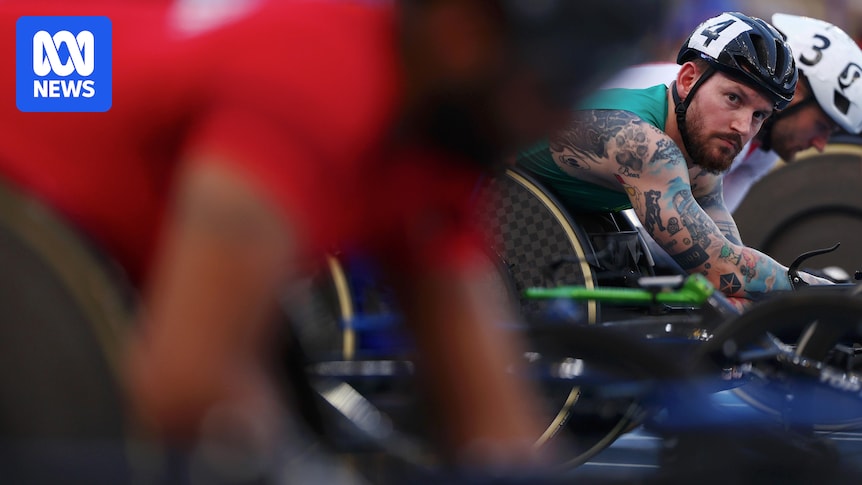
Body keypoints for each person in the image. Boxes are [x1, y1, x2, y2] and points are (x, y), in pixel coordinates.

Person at [0, 0, 675, 480]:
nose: (555, 121)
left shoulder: (437, 144)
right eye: (553, 86)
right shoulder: (316, 76)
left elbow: (491, 425)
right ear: (464, 28)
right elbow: (188, 391)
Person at [517, 11, 834, 308]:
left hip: (549, 229)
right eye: (733, 98)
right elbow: (721, 267)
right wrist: (825, 291)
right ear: (687, 80)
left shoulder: (700, 156)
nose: (743, 126)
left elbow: (730, 267)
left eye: (759, 115)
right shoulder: (644, 145)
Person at [603, 13, 862, 213]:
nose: (820, 144)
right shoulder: (709, 120)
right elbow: (669, 243)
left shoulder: (763, 149)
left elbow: (714, 236)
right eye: (822, 126)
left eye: (759, 115)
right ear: (796, 95)